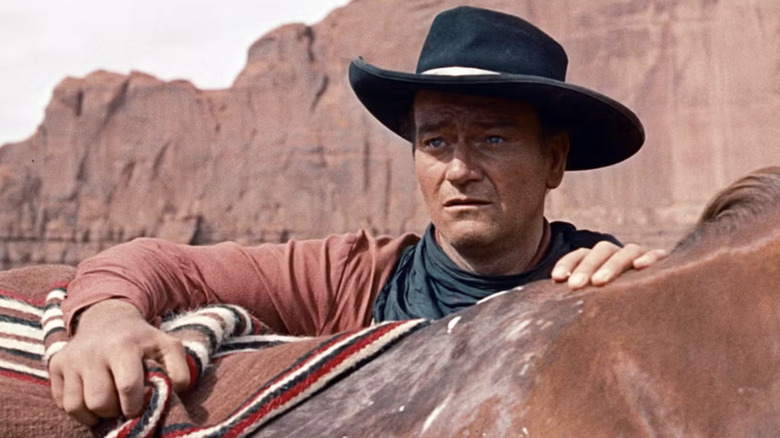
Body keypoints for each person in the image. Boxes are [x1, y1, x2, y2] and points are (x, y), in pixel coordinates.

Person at [49, 6, 667, 426]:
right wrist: (105, 321)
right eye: (436, 142)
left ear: (553, 160)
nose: (458, 169)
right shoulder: (357, 278)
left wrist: (665, 292)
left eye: (493, 140)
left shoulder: (606, 281)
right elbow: (153, 262)